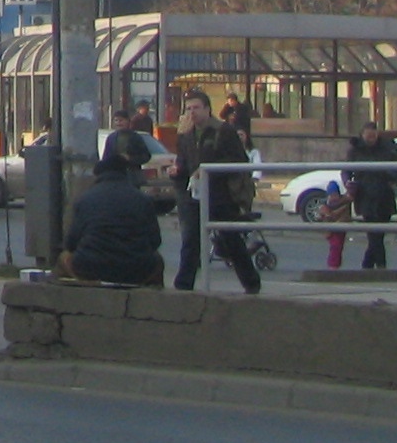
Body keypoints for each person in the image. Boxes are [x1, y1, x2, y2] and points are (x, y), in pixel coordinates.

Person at [171, 89, 260, 294]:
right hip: (195, 194)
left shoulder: (223, 131)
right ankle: (183, 285)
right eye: (188, 109)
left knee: (230, 239)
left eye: (196, 108)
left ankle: (251, 283)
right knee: (191, 239)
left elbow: (239, 161)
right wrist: (177, 171)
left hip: (220, 194)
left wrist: (209, 170)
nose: (192, 112)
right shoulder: (186, 134)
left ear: (207, 109)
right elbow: (183, 162)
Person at [55, 154, 163, 286]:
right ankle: (151, 297)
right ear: (125, 173)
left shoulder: (85, 199)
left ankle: (67, 296)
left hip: (90, 268)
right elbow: (155, 241)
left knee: (64, 258)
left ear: (98, 175)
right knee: (157, 261)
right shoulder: (143, 199)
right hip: (136, 270)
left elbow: (71, 244)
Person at [344, 121, 397, 271]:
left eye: (374, 136)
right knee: (374, 234)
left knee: (378, 234)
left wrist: (394, 179)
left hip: (384, 195)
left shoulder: (388, 147)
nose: (371, 139)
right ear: (362, 135)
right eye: (368, 136)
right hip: (365, 196)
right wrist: (348, 183)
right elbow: (346, 170)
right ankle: (381, 267)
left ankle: (367, 267)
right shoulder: (355, 150)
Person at [102, 109, 152, 176]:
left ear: (128, 121)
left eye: (121, 120)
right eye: (116, 120)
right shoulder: (111, 138)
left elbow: (146, 156)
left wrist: (130, 158)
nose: (118, 123)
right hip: (115, 175)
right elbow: (105, 157)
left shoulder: (135, 137)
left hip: (132, 175)